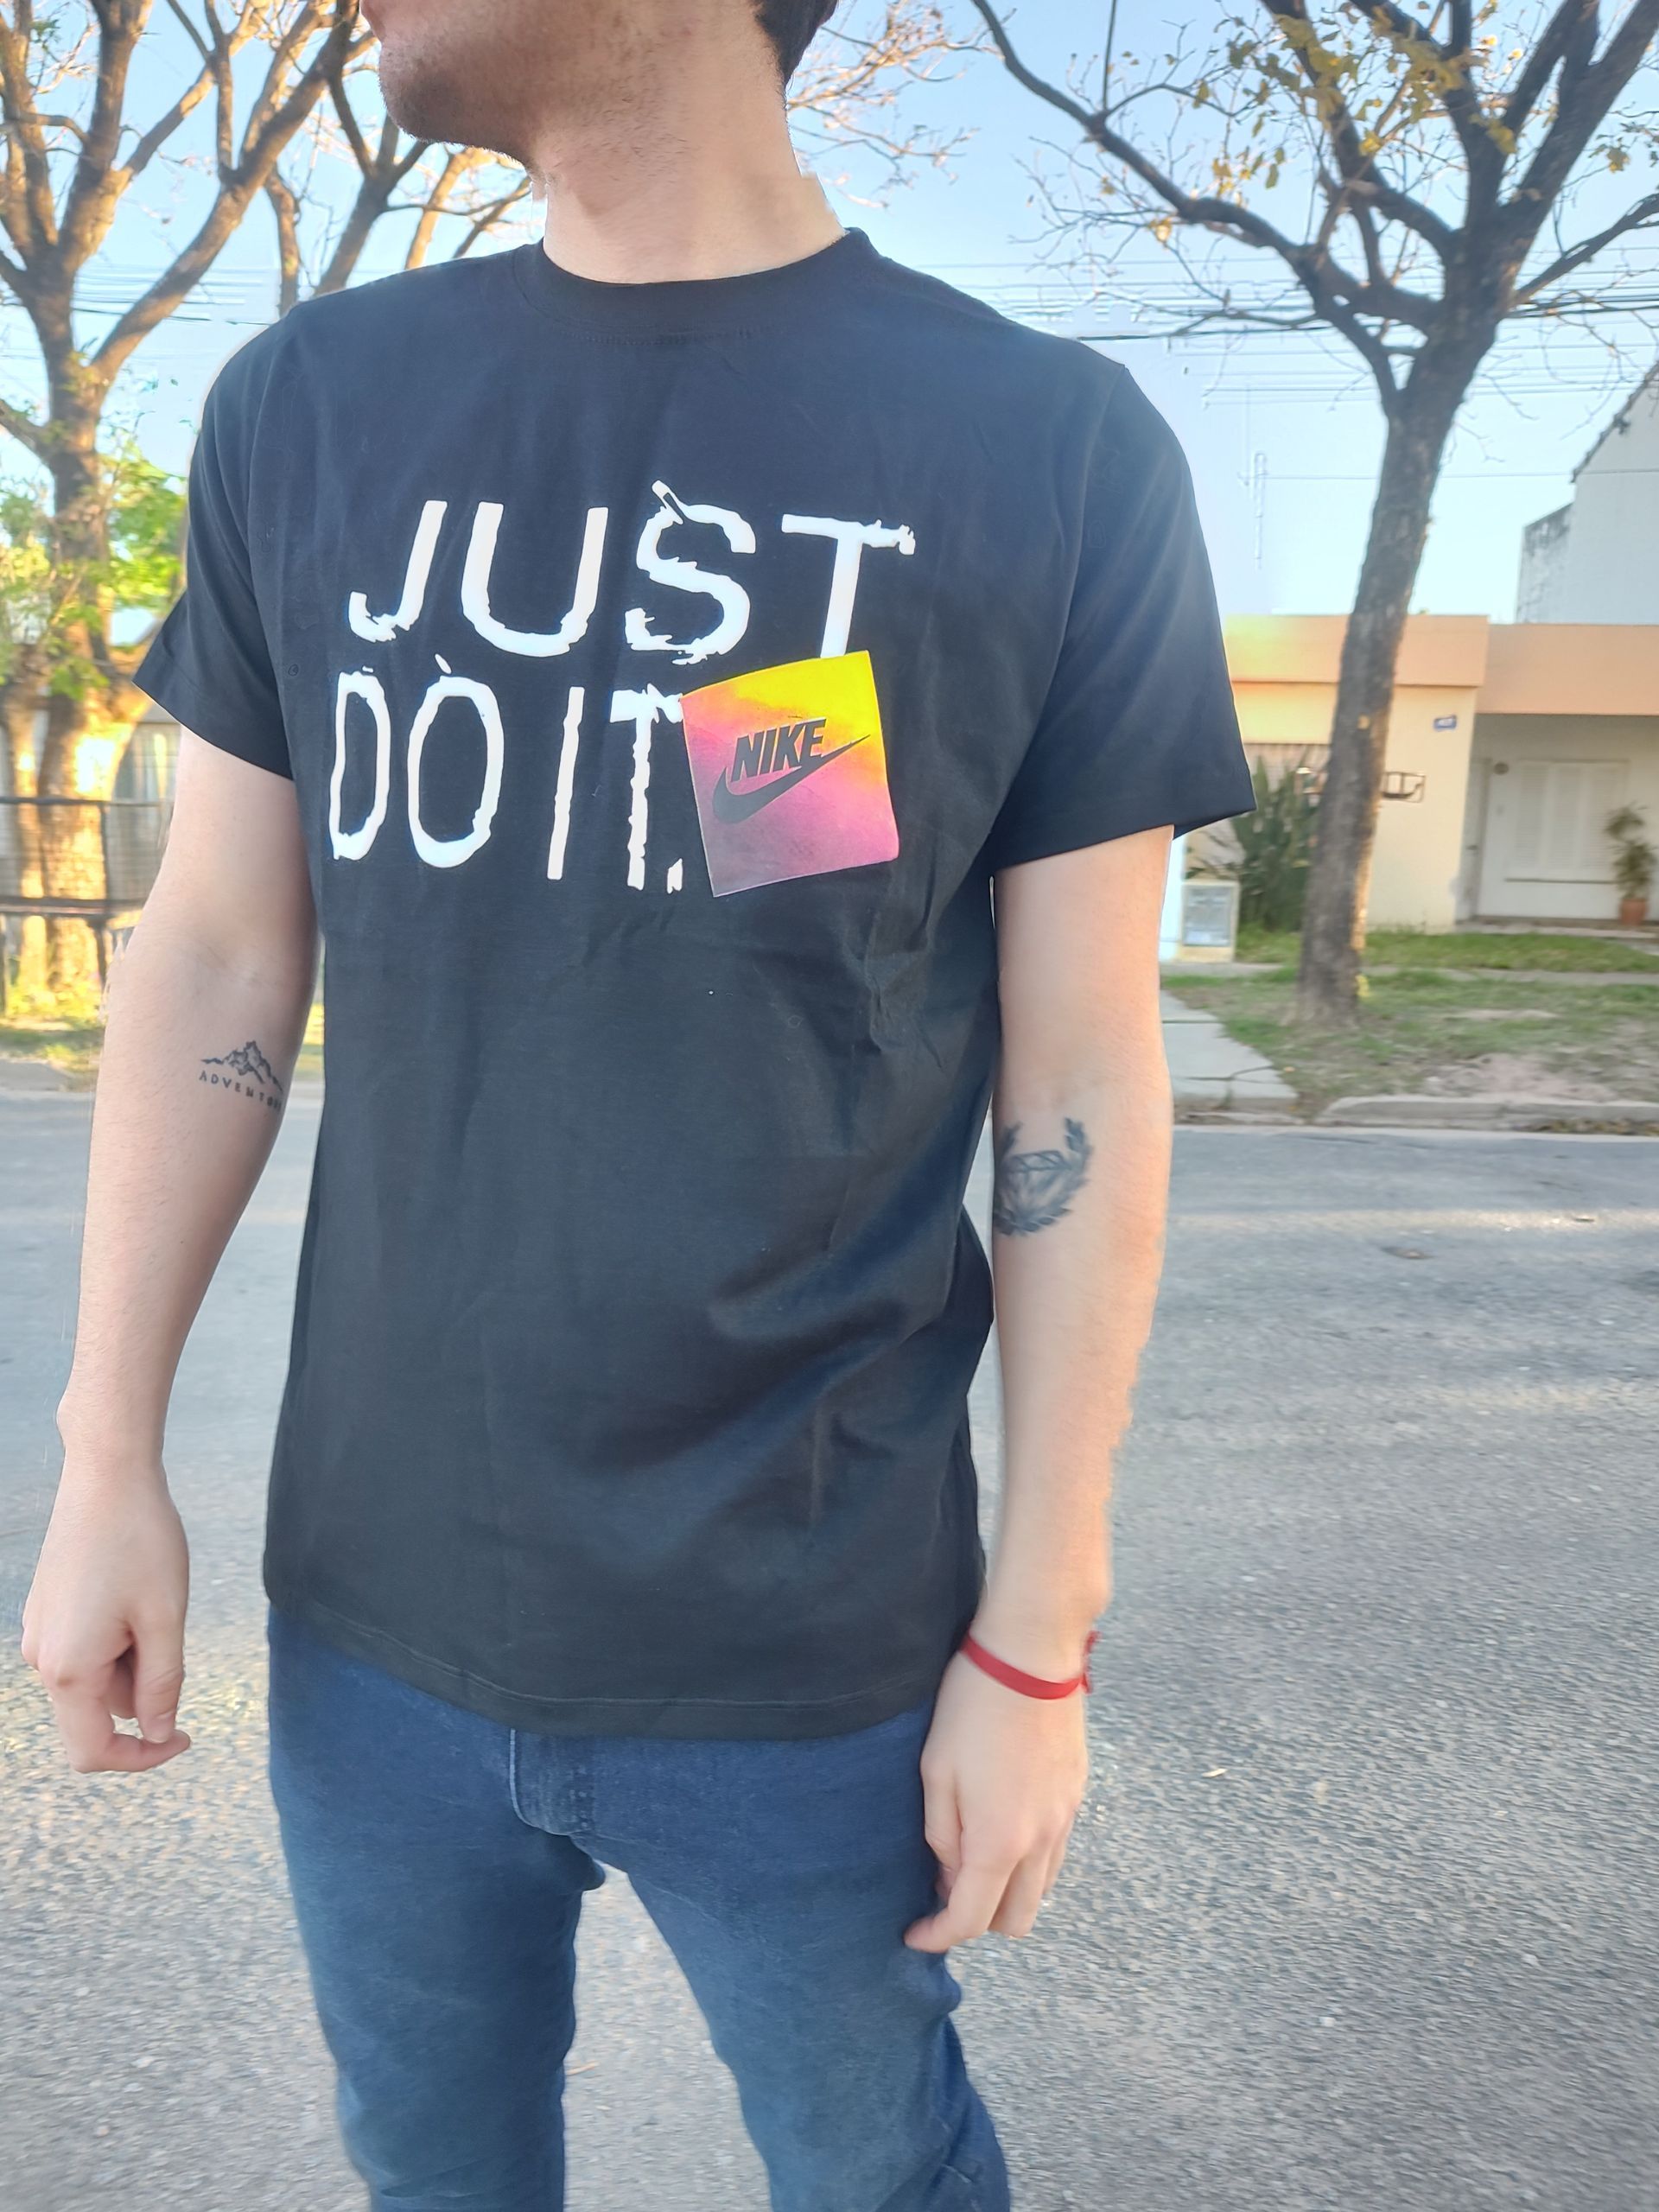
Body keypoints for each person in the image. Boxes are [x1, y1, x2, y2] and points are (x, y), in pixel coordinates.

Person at [20, 1, 1254, 2204]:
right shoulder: (313, 409)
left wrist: (1037, 1637)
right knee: (435, 2168)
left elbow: (1076, 1070)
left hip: (812, 1636)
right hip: (374, 1620)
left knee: (875, 2166)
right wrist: (104, 1453)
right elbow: (214, 945)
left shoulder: (1041, 449)